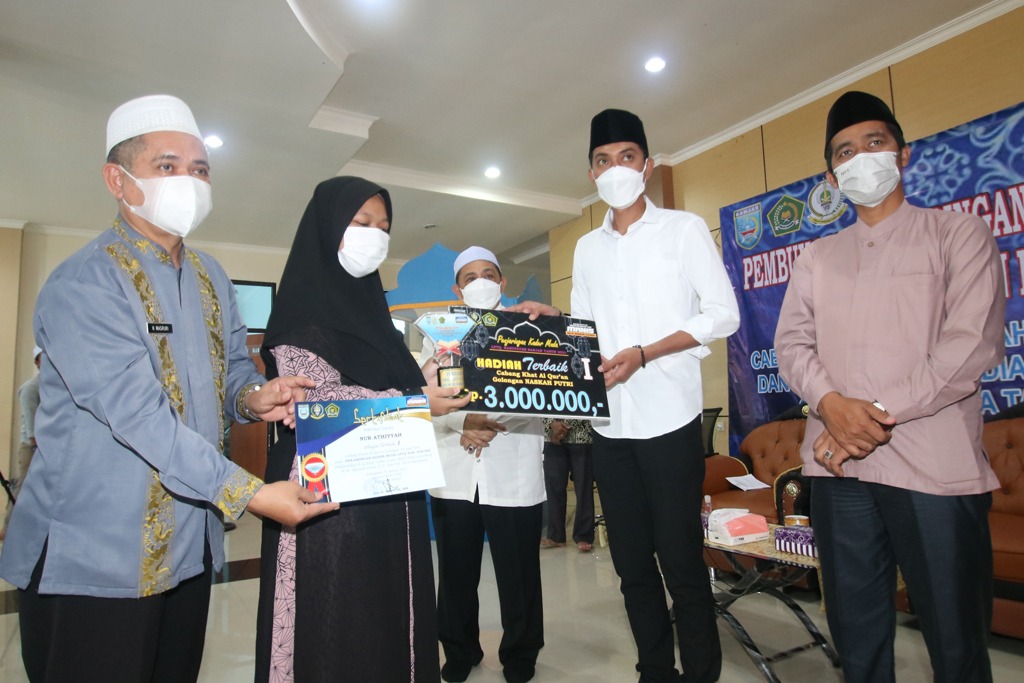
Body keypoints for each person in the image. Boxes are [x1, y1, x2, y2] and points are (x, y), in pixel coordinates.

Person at [0, 94, 336, 682]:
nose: (189, 181)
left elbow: (232, 374)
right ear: (118, 180)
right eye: (167, 165)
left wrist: (255, 398)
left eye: (199, 169)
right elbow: (139, 417)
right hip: (94, 552)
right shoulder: (85, 283)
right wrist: (254, 496)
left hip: (188, 545)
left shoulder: (211, 277)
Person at [774, 91, 1004, 683]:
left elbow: (968, 346)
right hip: (839, 475)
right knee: (857, 640)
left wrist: (867, 418)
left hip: (933, 469)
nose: (861, 158)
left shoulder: (957, 234)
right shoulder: (817, 257)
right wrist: (831, 405)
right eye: (844, 152)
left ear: (903, 154)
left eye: (873, 143)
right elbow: (791, 344)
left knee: (956, 642)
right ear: (832, 177)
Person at [511, 109, 739, 683]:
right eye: (603, 160)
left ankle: (701, 674)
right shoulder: (586, 248)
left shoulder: (683, 230)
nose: (616, 169)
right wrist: (552, 320)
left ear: (647, 165)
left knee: (682, 564)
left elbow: (723, 314)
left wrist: (645, 352)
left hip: (670, 421)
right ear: (592, 173)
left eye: (627, 157)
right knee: (632, 566)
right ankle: (654, 670)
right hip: (611, 426)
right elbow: (587, 331)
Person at [254, 176, 471, 683]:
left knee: (389, 613)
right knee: (338, 619)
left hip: (390, 489)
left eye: (384, 227)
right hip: (326, 499)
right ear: (328, 228)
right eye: (361, 222)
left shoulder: (374, 315)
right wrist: (413, 401)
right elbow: (314, 401)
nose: (375, 235)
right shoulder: (301, 313)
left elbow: (382, 389)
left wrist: (420, 383)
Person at [420, 246, 546, 683]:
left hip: (512, 464)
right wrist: (462, 422)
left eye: (489, 275)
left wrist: (486, 421)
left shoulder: (528, 331)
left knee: (519, 571)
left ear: (503, 283)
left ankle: (521, 654)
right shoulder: (438, 335)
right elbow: (428, 394)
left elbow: (542, 390)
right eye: (470, 277)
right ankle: (459, 651)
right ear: (457, 289)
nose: (480, 283)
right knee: (456, 570)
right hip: (456, 471)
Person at [1, 346, 42, 541]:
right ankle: (9, 527)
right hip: (32, 448)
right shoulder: (31, 388)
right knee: (23, 486)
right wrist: (35, 445)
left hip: (45, 447)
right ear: (37, 362)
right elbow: (31, 424)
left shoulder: (52, 388)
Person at [539, 418, 595, 552]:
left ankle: (584, 536)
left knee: (583, 488)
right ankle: (556, 536)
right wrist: (551, 424)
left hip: (582, 434)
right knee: (553, 487)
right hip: (551, 436)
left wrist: (565, 426)